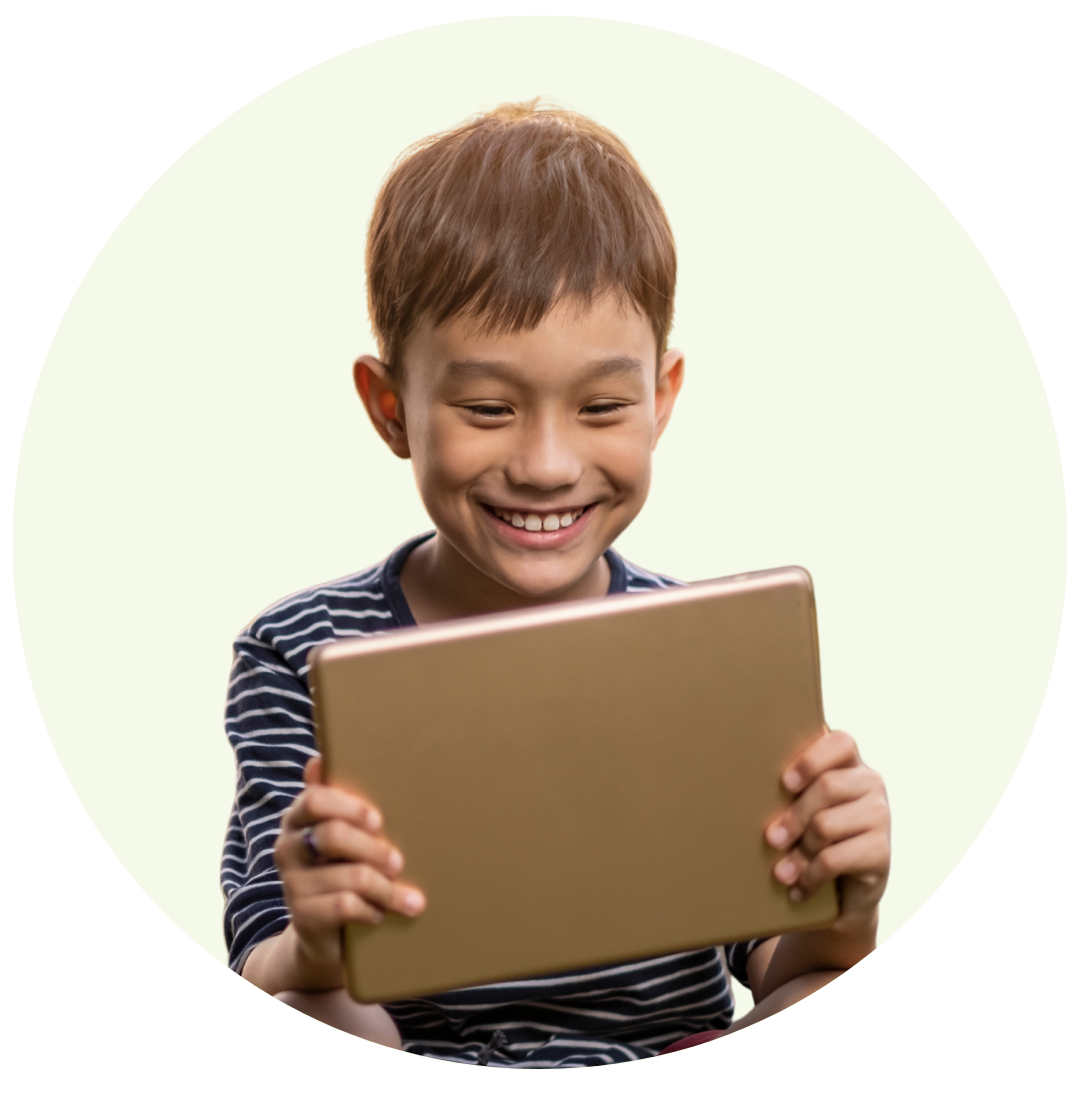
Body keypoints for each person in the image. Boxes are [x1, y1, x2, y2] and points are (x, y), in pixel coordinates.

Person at [221, 99, 891, 1067]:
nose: (546, 464)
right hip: (409, 1046)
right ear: (390, 407)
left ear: (661, 398)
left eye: (603, 406)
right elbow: (262, 960)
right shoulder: (299, 650)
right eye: (488, 408)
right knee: (312, 1005)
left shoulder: (706, 651)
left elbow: (781, 962)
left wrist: (847, 904)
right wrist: (316, 945)